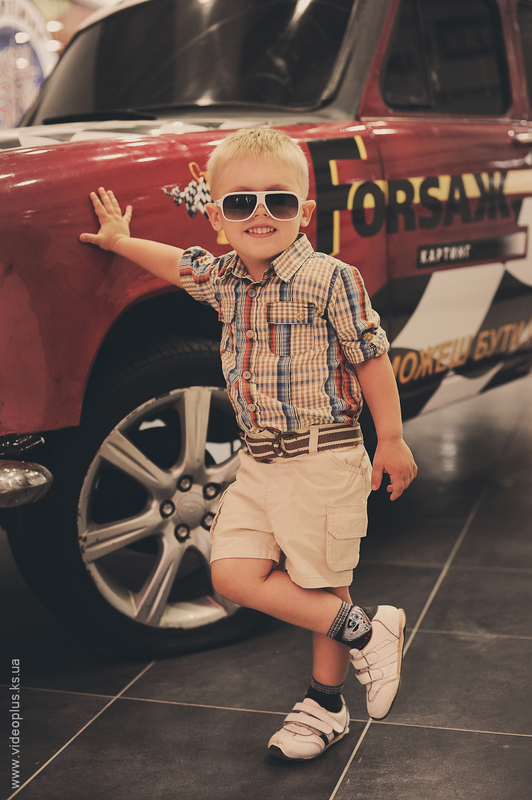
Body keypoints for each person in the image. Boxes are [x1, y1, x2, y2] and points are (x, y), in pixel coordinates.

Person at [80, 127, 417, 762]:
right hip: (258, 461)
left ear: (304, 212)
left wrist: (392, 439)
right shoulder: (224, 278)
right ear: (217, 217)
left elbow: (370, 357)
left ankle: (323, 706)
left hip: (325, 456)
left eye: (277, 200)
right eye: (240, 202)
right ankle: (368, 632)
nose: (260, 214)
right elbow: (177, 264)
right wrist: (120, 241)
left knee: (322, 580)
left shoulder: (331, 279)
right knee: (232, 574)